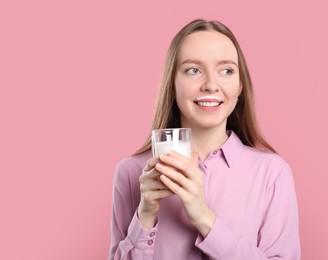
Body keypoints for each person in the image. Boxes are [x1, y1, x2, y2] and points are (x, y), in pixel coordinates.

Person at [108, 19, 301, 260]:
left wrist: (204, 218)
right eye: (193, 70)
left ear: (240, 85)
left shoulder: (272, 173)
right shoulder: (131, 173)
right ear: (172, 83)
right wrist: (145, 215)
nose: (211, 85)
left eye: (226, 70)